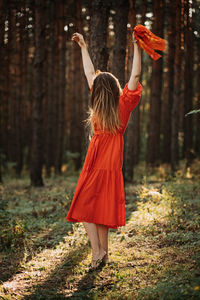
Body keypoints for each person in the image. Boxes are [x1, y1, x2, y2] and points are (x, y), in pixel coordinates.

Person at [66, 31, 142, 270]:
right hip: (108, 163)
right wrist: (136, 47)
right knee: (98, 208)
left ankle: (97, 252)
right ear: (115, 87)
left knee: (85, 206)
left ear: (99, 90)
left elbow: (90, 73)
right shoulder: (124, 104)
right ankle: (103, 253)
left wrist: (83, 48)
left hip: (98, 161)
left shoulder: (103, 104)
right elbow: (135, 74)